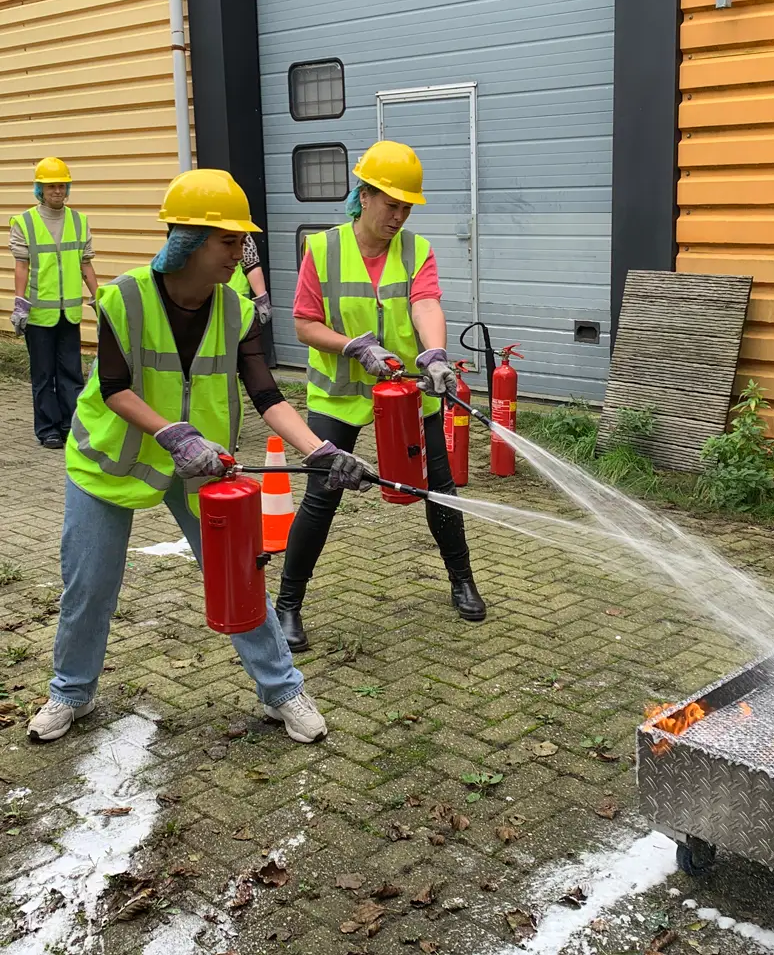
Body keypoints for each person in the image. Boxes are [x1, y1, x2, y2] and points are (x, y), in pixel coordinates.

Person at [27, 169, 373, 745]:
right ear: (186, 240)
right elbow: (114, 387)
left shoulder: (236, 311)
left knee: (239, 574)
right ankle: (70, 691)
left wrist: (320, 450)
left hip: (202, 468)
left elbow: (266, 395)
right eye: (229, 242)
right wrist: (173, 435)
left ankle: (282, 690)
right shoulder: (125, 297)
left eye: (243, 243)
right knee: (89, 584)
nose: (240, 255)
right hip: (109, 462)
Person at [275, 140, 486, 653]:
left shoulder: (417, 250)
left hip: (410, 394)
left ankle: (462, 579)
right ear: (363, 196)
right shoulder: (322, 249)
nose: (399, 215)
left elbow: (426, 304)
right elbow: (304, 324)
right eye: (391, 203)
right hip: (339, 393)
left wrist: (434, 355)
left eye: (407, 206)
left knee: (438, 488)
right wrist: (352, 345)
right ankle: (287, 604)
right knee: (322, 495)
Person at [8, 158, 99, 449]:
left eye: (62, 185)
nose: (57, 191)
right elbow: (21, 265)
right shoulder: (25, 223)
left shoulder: (78, 221)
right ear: (40, 189)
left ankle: (70, 425)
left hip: (68, 313)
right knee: (44, 374)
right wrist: (20, 303)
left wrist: (99, 298)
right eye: (51, 186)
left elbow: (85, 264)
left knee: (72, 372)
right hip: (38, 314)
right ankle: (47, 429)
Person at [227, 235, 272, 326]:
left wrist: (262, 301)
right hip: (209, 296)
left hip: (237, 298)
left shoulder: (239, 232)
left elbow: (251, 264)